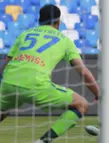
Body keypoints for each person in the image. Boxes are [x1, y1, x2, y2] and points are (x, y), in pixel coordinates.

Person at [0, 4, 100, 143]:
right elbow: (83, 71)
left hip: (9, 82)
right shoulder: (64, 40)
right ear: (58, 22)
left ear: (40, 20)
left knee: (4, 110)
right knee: (81, 104)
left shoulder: (25, 34)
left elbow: (5, 63)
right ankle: (44, 141)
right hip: (36, 85)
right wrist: (97, 92)